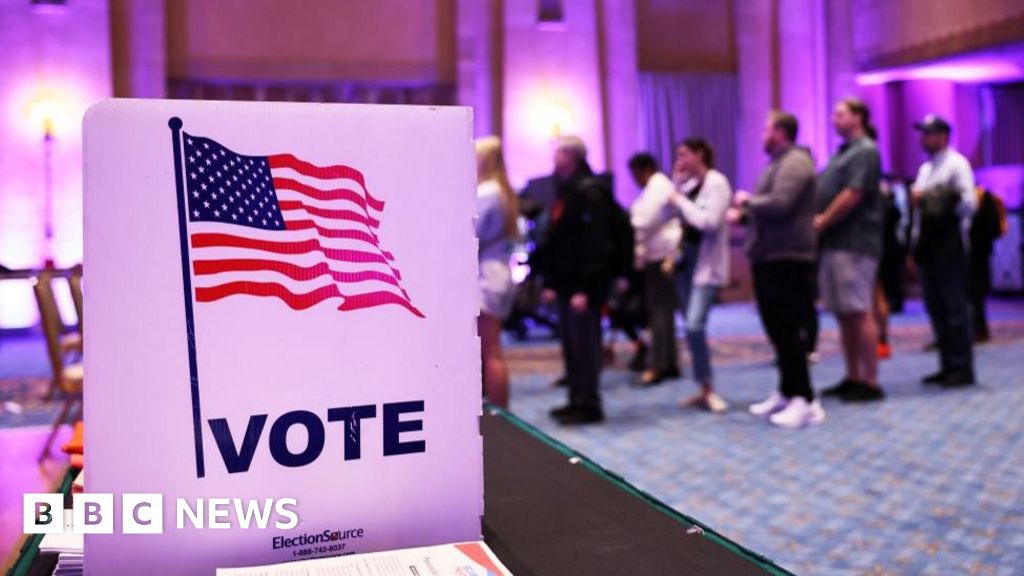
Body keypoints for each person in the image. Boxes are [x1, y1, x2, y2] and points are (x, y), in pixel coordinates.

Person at [736, 111, 825, 428]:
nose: (762, 135)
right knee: (777, 328)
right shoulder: (779, 162)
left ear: (781, 133)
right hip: (772, 255)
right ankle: (789, 391)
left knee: (788, 329)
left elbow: (780, 203)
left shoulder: (796, 163)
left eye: (766, 129)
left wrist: (747, 202)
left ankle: (804, 398)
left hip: (788, 256)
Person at [533, 136, 619, 425]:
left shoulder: (590, 190)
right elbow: (560, 242)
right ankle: (576, 399)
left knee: (586, 345)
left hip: (582, 285)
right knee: (572, 344)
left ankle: (590, 404)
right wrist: (551, 283)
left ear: (570, 155)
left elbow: (596, 244)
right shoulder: (568, 189)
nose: (553, 158)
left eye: (557, 153)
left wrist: (585, 287)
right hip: (566, 284)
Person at [815, 98, 886, 403]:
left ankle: (870, 381)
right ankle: (852, 375)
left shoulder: (866, 150)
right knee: (844, 314)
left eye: (839, 113)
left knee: (858, 311)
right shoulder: (843, 152)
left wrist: (822, 221)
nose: (833, 119)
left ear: (857, 117)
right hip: (836, 242)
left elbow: (853, 194)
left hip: (855, 243)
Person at [911, 114, 977, 386]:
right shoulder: (925, 169)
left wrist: (937, 198)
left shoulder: (957, 164)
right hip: (928, 245)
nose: (923, 138)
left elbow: (969, 204)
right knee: (936, 306)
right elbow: (918, 215)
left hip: (950, 246)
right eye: (923, 133)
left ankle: (962, 366)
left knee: (954, 307)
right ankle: (947, 363)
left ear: (943, 136)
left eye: (929, 133)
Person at [668, 138, 731, 413]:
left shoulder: (716, 182)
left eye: (684, 154)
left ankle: (709, 387)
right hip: (686, 264)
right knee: (691, 329)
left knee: (694, 325)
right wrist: (676, 183)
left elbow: (708, 222)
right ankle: (704, 387)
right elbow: (666, 214)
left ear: (700, 154)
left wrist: (680, 200)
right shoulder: (688, 186)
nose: (681, 159)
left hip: (706, 264)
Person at [627, 153, 682, 386]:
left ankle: (659, 364)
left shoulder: (658, 186)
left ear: (645, 169)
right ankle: (668, 362)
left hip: (661, 257)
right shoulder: (656, 187)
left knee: (659, 314)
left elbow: (645, 221)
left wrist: (627, 228)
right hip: (658, 255)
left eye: (636, 174)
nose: (634, 180)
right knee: (663, 313)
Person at [475, 136, 519, 408]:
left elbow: (471, 234)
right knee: (490, 348)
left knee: (489, 350)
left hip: (486, 276)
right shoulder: (503, 192)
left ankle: (500, 414)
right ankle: (497, 412)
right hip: (498, 272)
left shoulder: (486, 193)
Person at [969, 185, 1006, 343]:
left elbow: (994, 229)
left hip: (978, 252)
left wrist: (981, 241)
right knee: (973, 293)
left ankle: (979, 330)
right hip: (976, 251)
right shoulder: (980, 197)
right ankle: (976, 329)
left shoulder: (984, 197)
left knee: (976, 293)